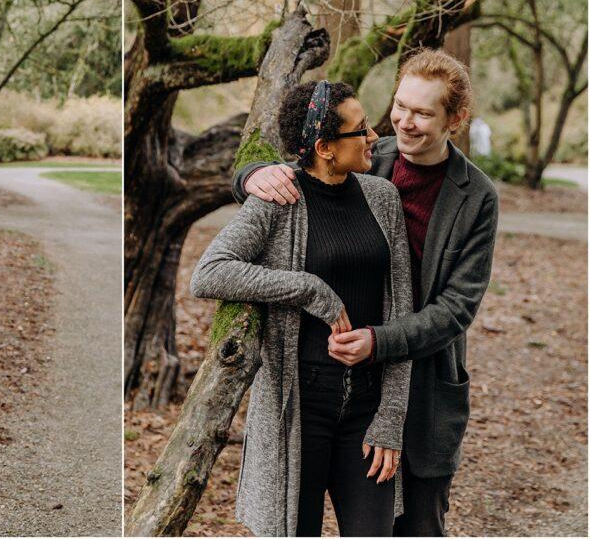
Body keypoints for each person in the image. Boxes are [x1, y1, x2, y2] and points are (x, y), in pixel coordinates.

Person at [233, 49, 499, 536]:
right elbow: (305, 166)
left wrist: (380, 341)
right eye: (400, 105)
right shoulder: (367, 158)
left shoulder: (477, 197)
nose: (404, 122)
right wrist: (250, 176)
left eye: (423, 113)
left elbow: (457, 308)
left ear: (456, 119)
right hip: (335, 381)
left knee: (416, 524)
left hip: (423, 384)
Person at [191, 80, 414, 537]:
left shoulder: (382, 198)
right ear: (325, 147)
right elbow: (209, 272)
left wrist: (390, 419)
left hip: (367, 412)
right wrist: (309, 288)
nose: (375, 136)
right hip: (298, 411)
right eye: (361, 129)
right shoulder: (279, 200)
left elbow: (402, 311)